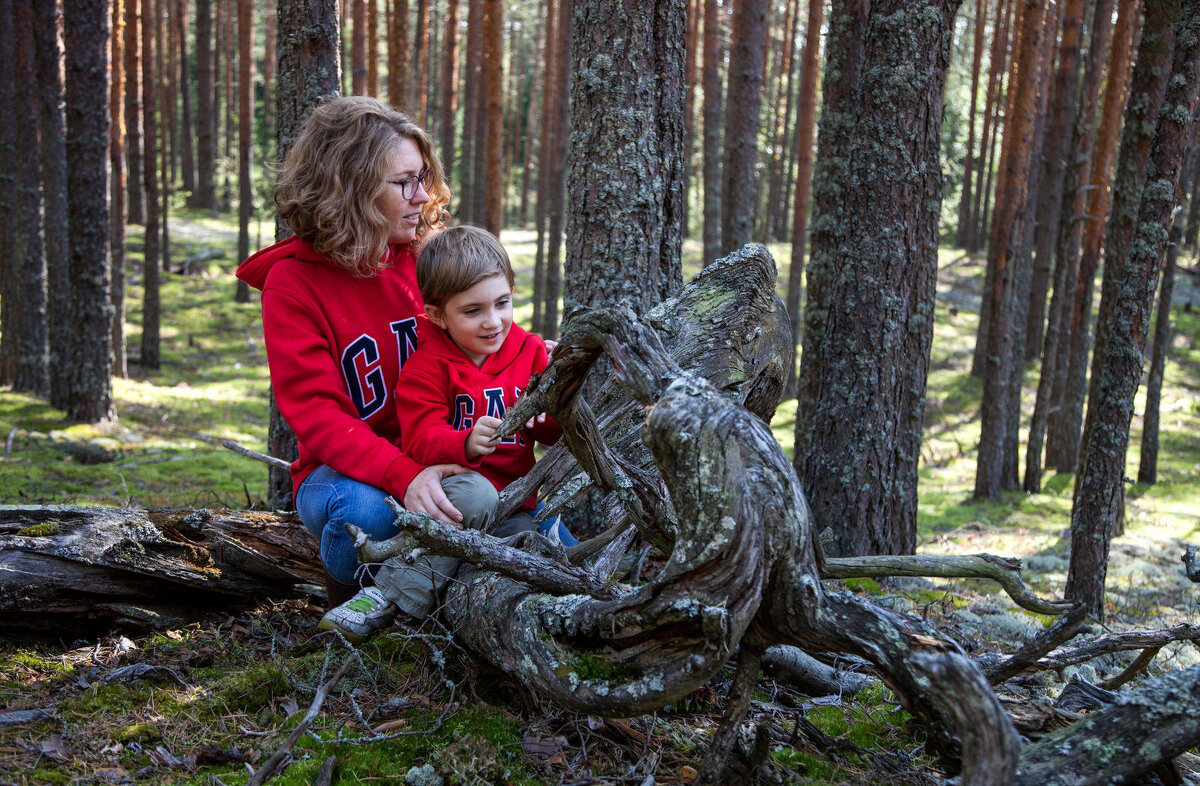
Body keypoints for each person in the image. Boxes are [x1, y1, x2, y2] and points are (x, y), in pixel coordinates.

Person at [236, 96, 497, 641]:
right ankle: (350, 614)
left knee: (494, 498)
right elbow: (320, 418)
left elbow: (485, 345)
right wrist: (406, 477)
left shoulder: (429, 257)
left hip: (438, 452)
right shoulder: (295, 285)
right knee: (367, 513)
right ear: (352, 190)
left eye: (423, 177)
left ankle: (414, 611)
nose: (422, 195)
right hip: (345, 474)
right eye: (404, 182)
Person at [320, 226, 564, 642]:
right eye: (472, 311)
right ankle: (385, 598)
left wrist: (552, 411)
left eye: (502, 303)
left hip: (515, 504)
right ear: (437, 314)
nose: (493, 322)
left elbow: (554, 435)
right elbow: (418, 438)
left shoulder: (530, 353)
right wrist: (464, 442)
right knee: (475, 497)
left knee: (535, 551)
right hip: (455, 495)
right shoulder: (427, 366)